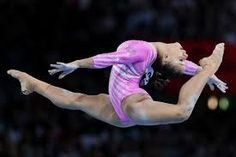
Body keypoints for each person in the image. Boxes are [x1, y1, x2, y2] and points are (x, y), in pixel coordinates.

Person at [7, 40, 227, 128]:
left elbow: (109, 58)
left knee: (182, 112)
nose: (185, 55)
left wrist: (206, 72)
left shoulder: (147, 52)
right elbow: (112, 58)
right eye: (183, 58)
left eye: (181, 58)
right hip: (119, 109)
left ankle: (210, 65)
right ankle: (31, 81)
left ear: (167, 59)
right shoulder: (149, 54)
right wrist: (77, 64)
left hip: (131, 105)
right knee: (75, 99)